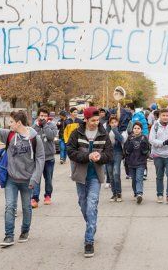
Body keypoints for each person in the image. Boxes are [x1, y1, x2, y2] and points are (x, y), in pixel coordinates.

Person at [0, 110, 45, 248]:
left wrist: (35, 178)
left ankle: (25, 231)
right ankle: (9, 235)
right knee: (10, 206)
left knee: (26, 207)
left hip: (28, 180)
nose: (9, 124)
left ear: (19, 123)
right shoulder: (9, 135)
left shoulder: (35, 139)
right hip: (11, 178)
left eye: (11, 122)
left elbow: (40, 159)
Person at [67, 106, 114, 258]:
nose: (96, 123)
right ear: (86, 119)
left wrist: (100, 157)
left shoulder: (103, 134)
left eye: (97, 120)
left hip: (95, 176)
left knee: (91, 205)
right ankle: (92, 225)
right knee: (83, 205)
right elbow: (70, 152)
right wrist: (87, 156)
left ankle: (89, 242)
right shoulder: (76, 133)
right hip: (80, 176)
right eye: (93, 120)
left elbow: (109, 154)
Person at [149, 109, 168, 205]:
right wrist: (162, 143)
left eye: (167, 115)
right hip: (158, 155)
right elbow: (151, 140)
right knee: (159, 176)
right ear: (159, 116)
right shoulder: (155, 126)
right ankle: (160, 194)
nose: (165, 117)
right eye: (163, 115)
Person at [32, 108, 58, 207]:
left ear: (48, 117)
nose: (43, 117)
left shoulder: (52, 125)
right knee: (36, 178)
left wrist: (45, 125)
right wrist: (37, 126)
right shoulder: (34, 126)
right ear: (38, 116)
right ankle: (34, 198)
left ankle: (48, 195)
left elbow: (51, 136)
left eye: (45, 116)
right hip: (37, 158)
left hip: (49, 157)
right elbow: (30, 138)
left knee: (48, 179)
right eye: (41, 115)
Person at [123, 121, 150, 203]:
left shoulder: (144, 138)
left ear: (141, 129)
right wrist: (130, 146)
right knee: (134, 179)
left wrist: (144, 147)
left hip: (141, 162)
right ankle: (135, 193)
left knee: (139, 178)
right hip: (131, 162)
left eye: (138, 128)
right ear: (132, 129)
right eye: (135, 128)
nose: (136, 130)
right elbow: (126, 151)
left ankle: (139, 194)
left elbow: (147, 151)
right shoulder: (130, 138)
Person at [107, 115, 125, 202]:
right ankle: (114, 193)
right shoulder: (106, 131)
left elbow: (122, 140)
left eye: (115, 122)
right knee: (110, 175)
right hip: (108, 154)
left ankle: (119, 193)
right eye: (112, 123)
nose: (114, 124)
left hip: (117, 152)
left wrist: (115, 130)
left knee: (116, 173)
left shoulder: (121, 131)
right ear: (109, 124)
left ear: (118, 123)